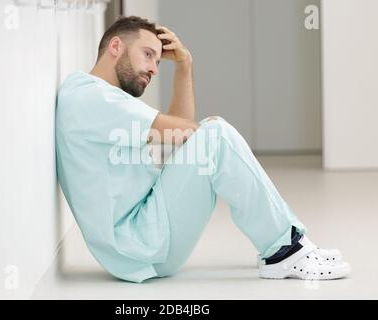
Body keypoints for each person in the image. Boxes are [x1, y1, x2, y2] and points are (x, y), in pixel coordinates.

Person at [55, 15, 350, 283]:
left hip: (141, 237)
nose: (153, 69)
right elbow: (188, 134)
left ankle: (283, 242)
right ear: (116, 46)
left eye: (158, 62)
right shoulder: (91, 97)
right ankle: (284, 249)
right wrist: (208, 132)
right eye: (148, 55)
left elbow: (184, 134)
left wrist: (185, 65)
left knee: (211, 135)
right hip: (140, 243)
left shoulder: (102, 98)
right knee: (215, 134)